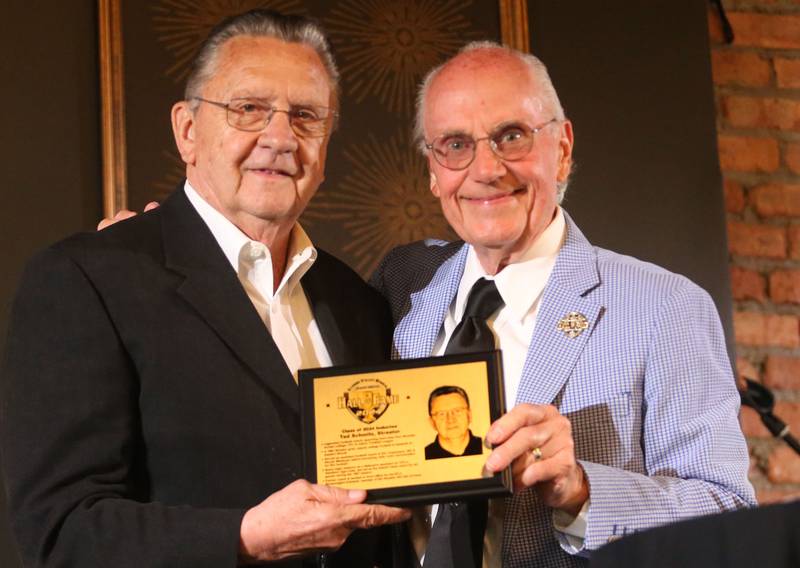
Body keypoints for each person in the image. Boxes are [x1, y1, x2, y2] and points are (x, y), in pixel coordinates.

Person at [0, 10, 409, 568]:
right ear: (187, 131)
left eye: (307, 116)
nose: (281, 138)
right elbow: (61, 530)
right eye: (249, 109)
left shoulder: (357, 301)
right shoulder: (88, 279)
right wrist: (245, 536)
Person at [370, 42, 756, 567]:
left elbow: (727, 514)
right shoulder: (401, 291)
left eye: (511, 137)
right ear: (433, 172)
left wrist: (581, 491)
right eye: (455, 145)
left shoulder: (666, 306)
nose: (485, 169)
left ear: (564, 147)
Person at [425, 385, 483, 459]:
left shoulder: (486, 447)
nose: (451, 420)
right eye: (441, 414)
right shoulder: (426, 455)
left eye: (457, 411)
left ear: (469, 415)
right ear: (432, 422)